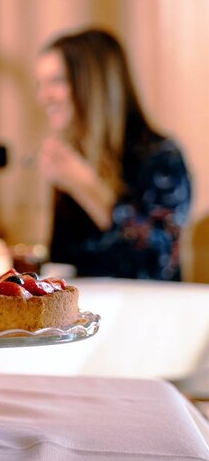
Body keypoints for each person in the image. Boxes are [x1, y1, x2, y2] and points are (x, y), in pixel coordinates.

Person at [34, 28, 191, 280]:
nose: (43, 97)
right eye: (40, 84)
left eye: (57, 81)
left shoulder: (161, 156)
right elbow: (64, 262)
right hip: (85, 302)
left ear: (94, 84)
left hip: (148, 303)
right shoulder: (73, 158)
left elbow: (158, 262)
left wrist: (87, 187)